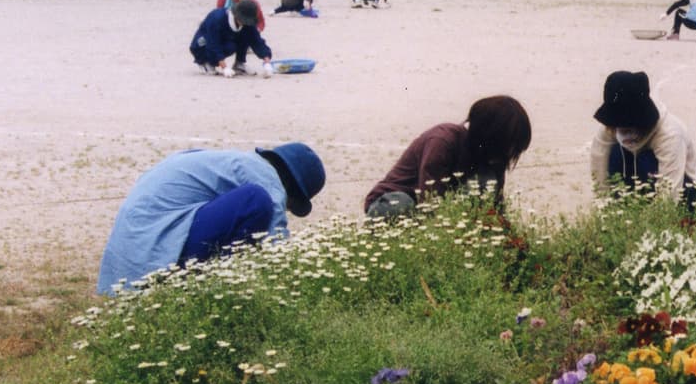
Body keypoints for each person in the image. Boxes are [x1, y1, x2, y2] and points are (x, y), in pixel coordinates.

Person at [96, 142, 325, 294]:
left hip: (128, 259)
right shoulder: (266, 178)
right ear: (291, 191)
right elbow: (276, 251)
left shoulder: (230, 161)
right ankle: (218, 289)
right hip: (155, 250)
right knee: (254, 201)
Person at [364, 96, 533, 219]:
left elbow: (496, 209)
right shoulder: (443, 140)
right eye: (508, 145)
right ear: (490, 137)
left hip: (438, 209)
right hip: (394, 201)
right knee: (401, 204)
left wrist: (511, 242)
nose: (509, 153)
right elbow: (430, 199)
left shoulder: (494, 158)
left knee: (485, 181)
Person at [589, 71, 696, 207]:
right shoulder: (610, 127)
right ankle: (625, 205)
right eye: (622, 128)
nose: (626, 133)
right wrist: (604, 207)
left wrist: (654, 219)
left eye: (631, 128)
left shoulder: (669, 134)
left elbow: (671, 191)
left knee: (646, 159)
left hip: (686, 187)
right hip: (641, 176)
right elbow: (598, 165)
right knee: (615, 152)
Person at [189, 0, 273, 77]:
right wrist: (224, 67)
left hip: (224, 40)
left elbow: (257, 41)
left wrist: (267, 63)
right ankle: (205, 62)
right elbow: (213, 44)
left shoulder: (246, 24)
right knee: (229, 47)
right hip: (202, 46)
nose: (246, 23)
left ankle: (239, 64)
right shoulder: (217, 18)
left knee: (245, 36)